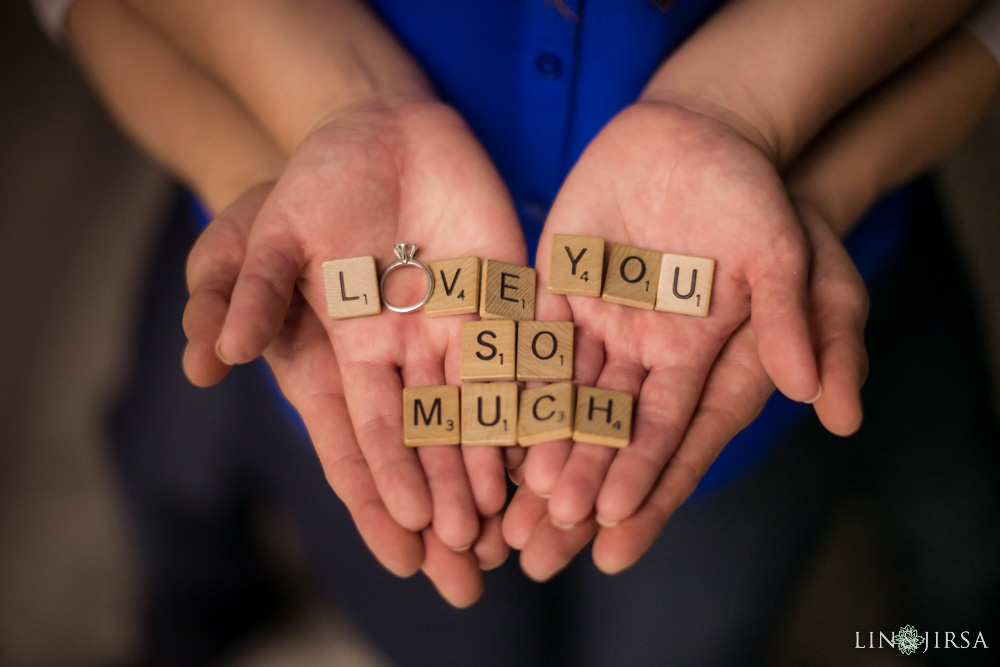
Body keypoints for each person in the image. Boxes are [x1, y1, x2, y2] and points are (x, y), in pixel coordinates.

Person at [50, 0, 1000, 663]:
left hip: (742, 332)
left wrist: (802, 177)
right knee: (420, 616)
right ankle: (186, 625)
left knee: (713, 628)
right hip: (328, 289)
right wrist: (281, 145)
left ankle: (950, 639)